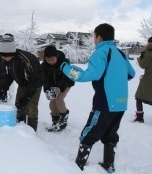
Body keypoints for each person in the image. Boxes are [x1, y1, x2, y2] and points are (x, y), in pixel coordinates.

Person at [60, 23, 135, 172]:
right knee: (110, 134)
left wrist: (66, 68)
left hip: (104, 102)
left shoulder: (101, 52)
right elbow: (131, 74)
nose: (94, 39)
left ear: (99, 37)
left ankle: (78, 166)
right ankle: (109, 165)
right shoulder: (120, 53)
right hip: (121, 103)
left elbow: (87, 75)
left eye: (94, 36)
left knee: (89, 133)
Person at [0, 34, 44, 132]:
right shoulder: (7, 59)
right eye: (1, 55)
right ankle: (20, 130)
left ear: (10, 52)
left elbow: (35, 80)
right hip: (22, 84)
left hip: (35, 85)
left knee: (31, 108)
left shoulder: (26, 60)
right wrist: (3, 89)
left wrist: (25, 98)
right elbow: (9, 75)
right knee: (18, 106)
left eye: (5, 56)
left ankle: (31, 132)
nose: (3, 58)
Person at [41, 45, 74, 132]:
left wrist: (60, 88)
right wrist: (47, 89)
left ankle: (63, 118)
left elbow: (66, 78)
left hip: (66, 84)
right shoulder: (44, 66)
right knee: (52, 102)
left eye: (52, 59)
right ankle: (55, 120)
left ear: (57, 56)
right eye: (48, 60)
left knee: (59, 99)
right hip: (53, 86)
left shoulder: (64, 63)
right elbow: (44, 79)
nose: (50, 62)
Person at [133, 36, 152, 122]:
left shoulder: (149, 53)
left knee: (139, 97)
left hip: (148, 80)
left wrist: (140, 58)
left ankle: (139, 118)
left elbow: (143, 65)